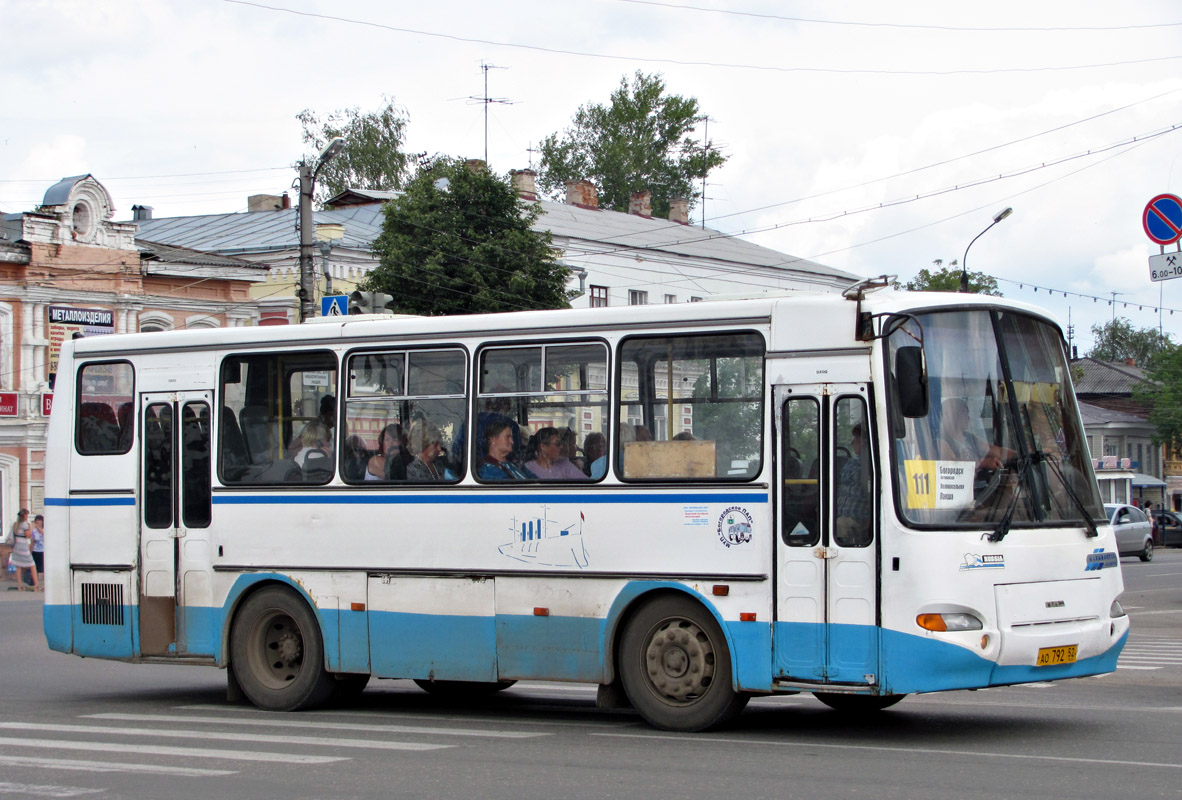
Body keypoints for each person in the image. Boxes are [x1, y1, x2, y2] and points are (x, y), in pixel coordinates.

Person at [939, 397, 1006, 471]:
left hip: (982, 481)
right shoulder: (941, 440)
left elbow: (998, 452)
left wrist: (1017, 455)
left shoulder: (969, 438)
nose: (968, 417)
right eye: (964, 413)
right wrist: (983, 463)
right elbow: (951, 462)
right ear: (953, 416)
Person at [834, 424, 872, 547]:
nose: (852, 442)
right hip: (843, 514)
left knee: (839, 524)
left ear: (866, 441)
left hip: (858, 518)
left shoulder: (868, 465)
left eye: (856, 439)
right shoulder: (852, 462)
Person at [9, 509, 39, 591]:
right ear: (25, 515)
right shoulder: (25, 524)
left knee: (18, 566)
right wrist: (30, 527)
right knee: (32, 564)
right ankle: (36, 584)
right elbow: (28, 535)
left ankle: (19, 585)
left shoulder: (15, 524)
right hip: (23, 547)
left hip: (16, 547)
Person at [30, 514, 45, 581]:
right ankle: (37, 580)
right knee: (35, 566)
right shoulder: (34, 531)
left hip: (43, 551)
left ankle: (41, 579)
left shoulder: (45, 529)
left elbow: (44, 534)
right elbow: (32, 542)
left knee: (42, 567)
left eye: (39, 520)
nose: (37, 522)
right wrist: (30, 551)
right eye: (36, 520)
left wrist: (38, 528)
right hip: (36, 550)